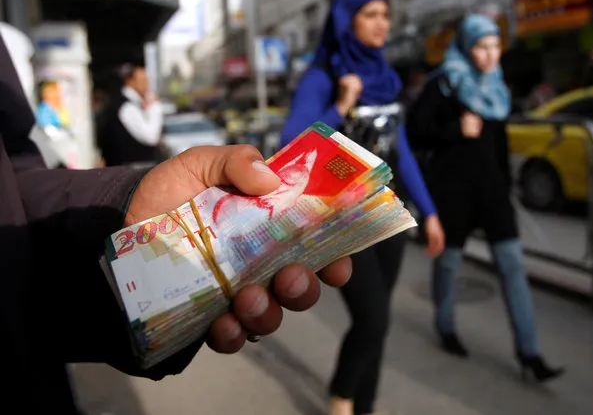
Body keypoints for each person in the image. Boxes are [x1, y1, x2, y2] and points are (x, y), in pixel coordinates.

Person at [0, 34, 352, 413]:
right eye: (142, 76)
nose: (147, 82)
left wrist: (121, 207)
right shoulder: (127, 107)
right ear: (131, 77)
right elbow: (150, 134)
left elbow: (14, 181)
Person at [280, 0, 445, 415]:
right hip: (341, 218)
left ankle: (364, 405)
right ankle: (341, 399)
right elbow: (289, 144)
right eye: (370, 14)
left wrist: (429, 212)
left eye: (385, 14)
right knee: (373, 318)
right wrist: (341, 105)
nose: (381, 24)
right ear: (346, 20)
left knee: (378, 322)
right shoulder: (323, 78)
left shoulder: (385, 77)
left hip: (388, 216)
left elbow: (401, 148)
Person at [406, 14, 564, 382]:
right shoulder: (443, 84)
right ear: (465, 46)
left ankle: (530, 352)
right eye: (481, 46)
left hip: (493, 192)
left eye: (495, 46)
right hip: (453, 192)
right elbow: (415, 133)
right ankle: (445, 325)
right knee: (449, 264)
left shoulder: (496, 88)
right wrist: (453, 129)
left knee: (513, 267)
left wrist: (508, 186)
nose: (489, 54)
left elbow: (500, 144)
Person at [97, 62, 164, 166]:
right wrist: (154, 106)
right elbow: (151, 137)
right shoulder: (127, 107)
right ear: (130, 81)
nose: (147, 84)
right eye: (143, 80)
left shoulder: (129, 104)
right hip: (130, 171)